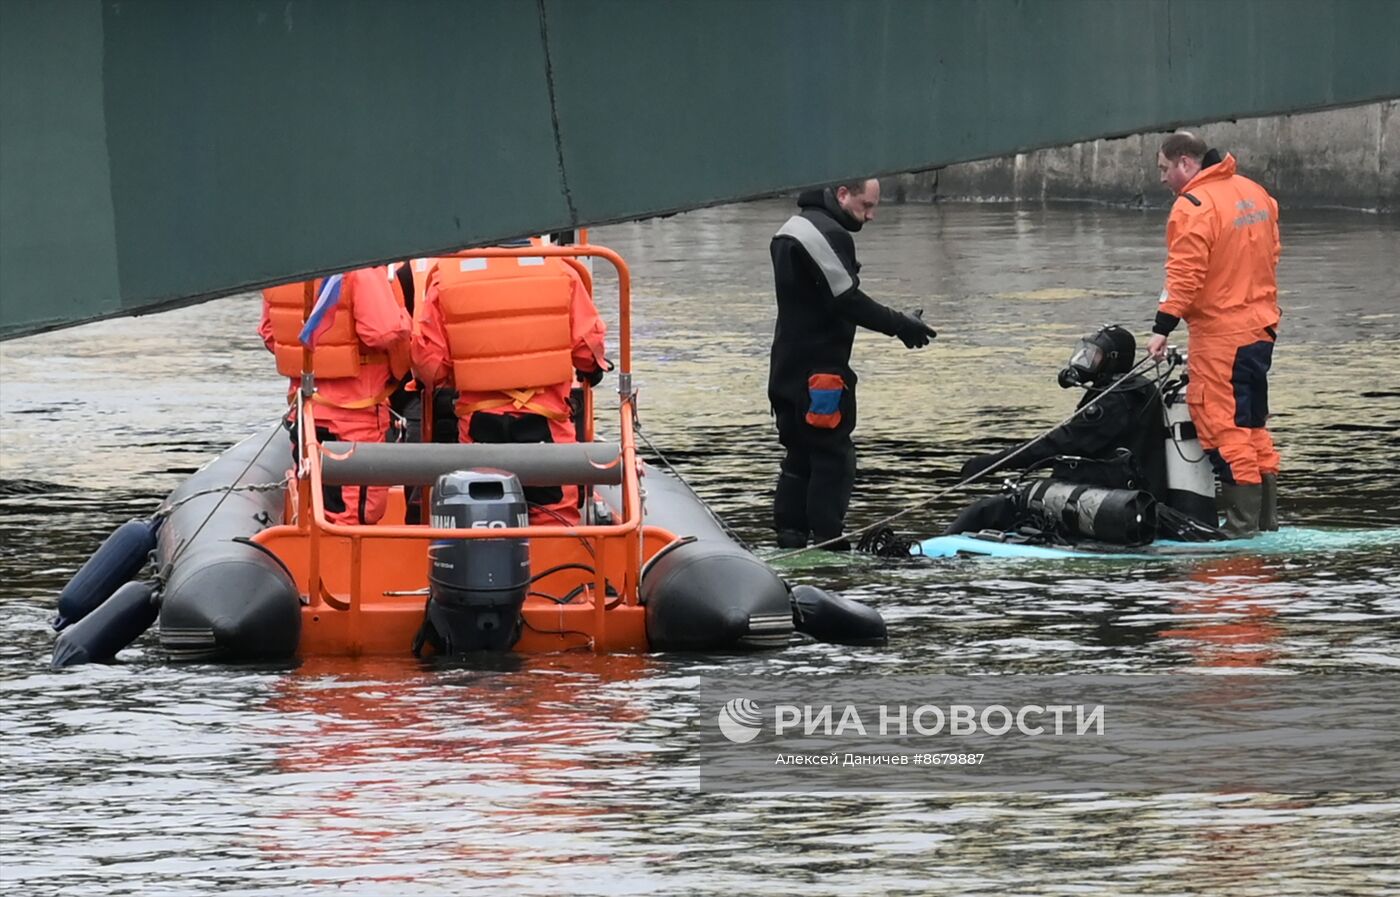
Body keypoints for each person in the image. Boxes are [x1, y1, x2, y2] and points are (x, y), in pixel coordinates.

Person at [768, 178, 937, 549]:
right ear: (842, 194)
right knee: (833, 459)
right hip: (820, 377)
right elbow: (846, 298)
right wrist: (900, 324)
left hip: (785, 371)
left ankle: (790, 537)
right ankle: (829, 544)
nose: (871, 215)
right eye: (866, 205)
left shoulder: (789, 230)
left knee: (799, 457)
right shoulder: (824, 234)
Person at [1147, 132, 1282, 537]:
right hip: (1260, 328)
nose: (1163, 179)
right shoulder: (1254, 192)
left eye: (1164, 169)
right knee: (1252, 423)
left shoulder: (1192, 206)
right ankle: (1265, 522)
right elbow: (1271, 253)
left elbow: (1185, 276)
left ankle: (1241, 528)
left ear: (1186, 164)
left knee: (1224, 427)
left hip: (1220, 335)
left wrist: (1161, 328)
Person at [411, 250, 608, 525]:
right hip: (547, 426)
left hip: (480, 427)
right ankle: (559, 564)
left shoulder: (445, 278)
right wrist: (593, 368)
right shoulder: (563, 271)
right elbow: (588, 348)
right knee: (554, 519)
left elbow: (431, 364)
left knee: (479, 513)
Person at [948, 325, 1175, 537]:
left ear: (1112, 361)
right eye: (1084, 353)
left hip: (1116, 497)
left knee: (990, 510)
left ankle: (931, 551)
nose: (1084, 362)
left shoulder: (1116, 399)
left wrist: (994, 462)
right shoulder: (1131, 389)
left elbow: (1062, 442)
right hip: (1121, 490)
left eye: (1093, 356)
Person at [259, 267, 412, 525]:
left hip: (307, 410)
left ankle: (313, 557)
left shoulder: (282, 267)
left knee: (313, 498)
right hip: (356, 412)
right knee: (356, 511)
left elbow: (270, 334)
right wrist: (406, 321)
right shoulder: (362, 267)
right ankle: (346, 559)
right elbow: (381, 332)